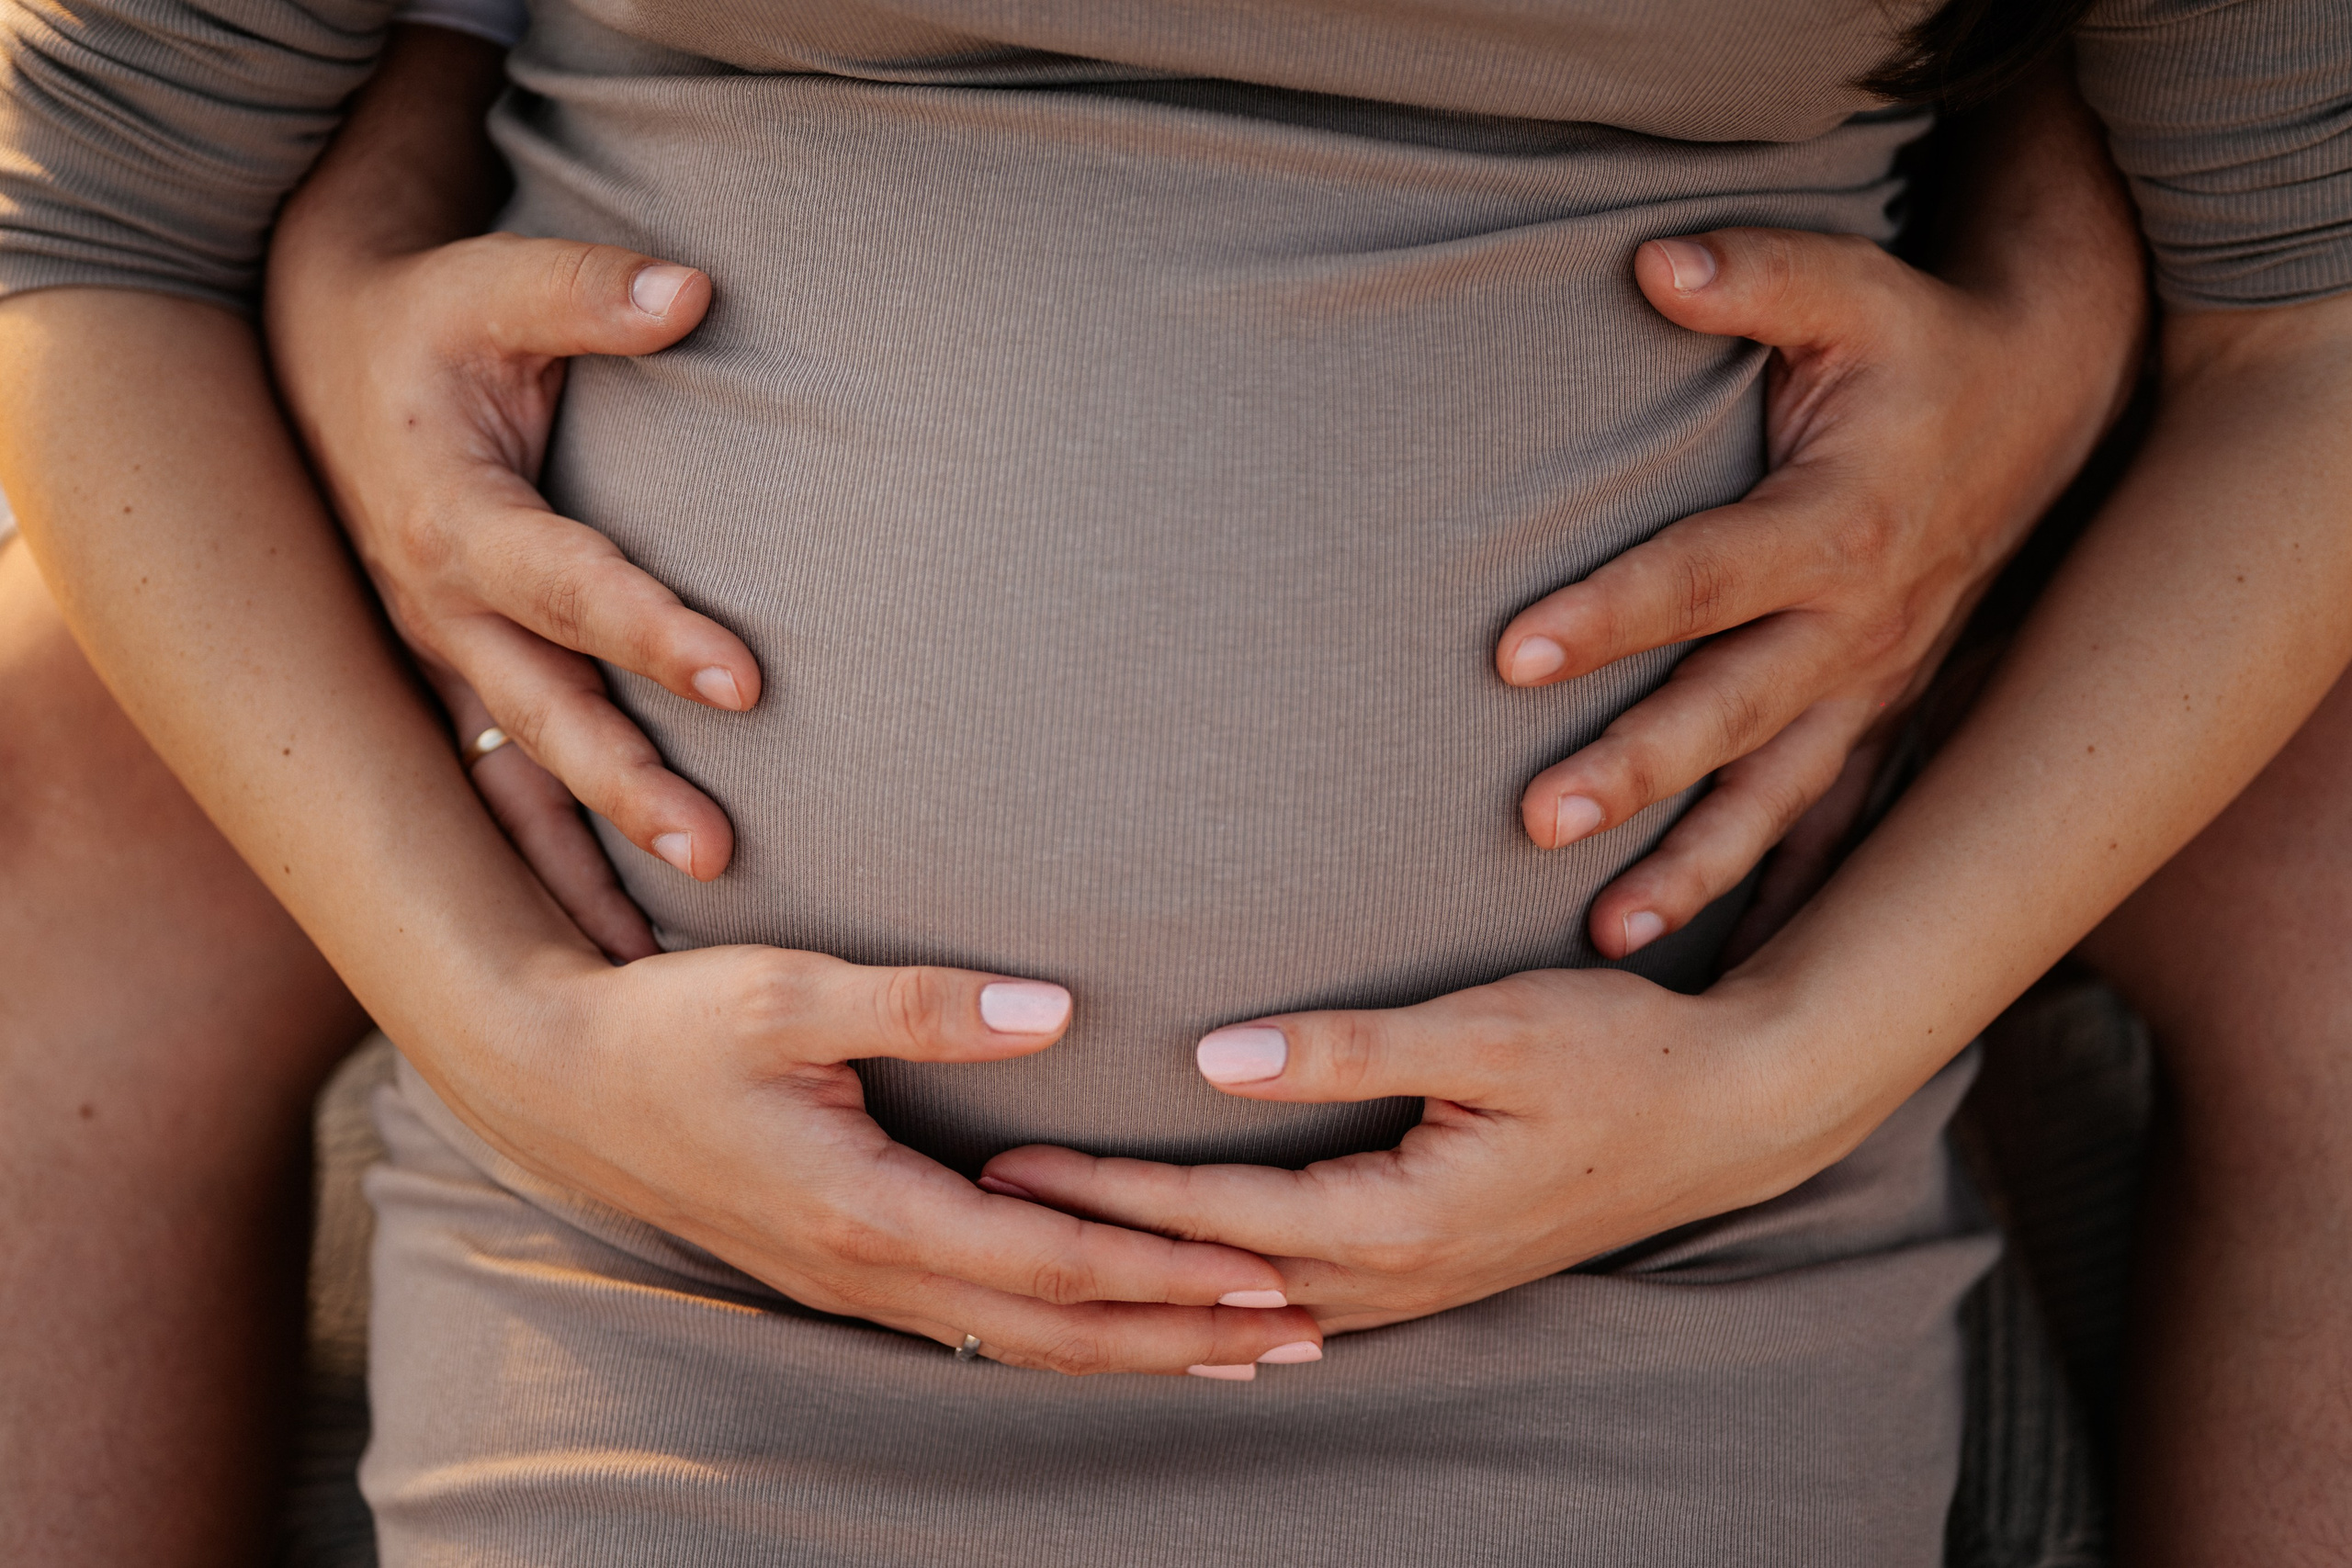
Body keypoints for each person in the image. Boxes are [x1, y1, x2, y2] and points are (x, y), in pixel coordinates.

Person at [2, 2, 2347, 1563]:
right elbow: (94, 215)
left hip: (1649, 1256)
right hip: (661, 1258)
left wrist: (1791, 1069)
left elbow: (2305, 290)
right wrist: (509, 1026)